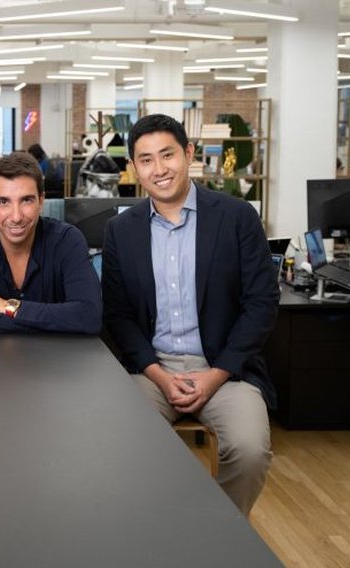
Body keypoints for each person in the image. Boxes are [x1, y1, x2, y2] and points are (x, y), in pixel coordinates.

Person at [101, 113, 279, 516]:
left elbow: (261, 303)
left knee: (249, 451)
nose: (159, 169)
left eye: (168, 155)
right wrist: (159, 375)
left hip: (225, 370)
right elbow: (119, 315)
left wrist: (215, 374)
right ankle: (159, 533)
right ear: (134, 167)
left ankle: (219, 532)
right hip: (152, 371)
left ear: (189, 153)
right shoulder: (121, 230)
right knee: (124, 450)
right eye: (146, 160)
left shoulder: (236, 217)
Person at [0, 152, 102, 334]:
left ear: (41, 201)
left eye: (26, 200)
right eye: (3, 202)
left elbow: (88, 317)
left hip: (56, 352)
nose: (16, 217)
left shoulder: (67, 240)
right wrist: (54, 321)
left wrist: (3, 305)